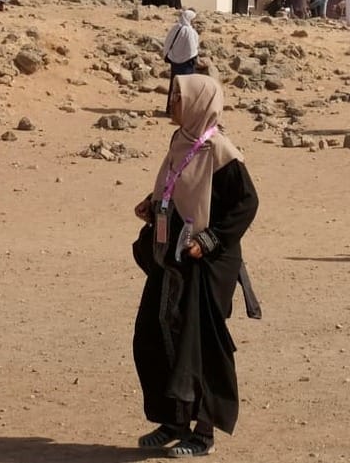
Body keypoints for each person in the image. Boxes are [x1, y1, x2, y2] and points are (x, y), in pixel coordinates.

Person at [131, 75, 259, 458]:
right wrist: (153, 205)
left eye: (178, 98)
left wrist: (211, 240)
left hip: (206, 264)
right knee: (155, 334)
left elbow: (245, 204)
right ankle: (173, 421)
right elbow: (179, 187)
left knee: (198, 346)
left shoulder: (221, 151)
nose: (171, 103)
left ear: (198, 104)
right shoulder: (182, 142)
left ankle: (203, 434)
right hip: (173, 257)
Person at [162, 8, 200, 78]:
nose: (194, 22)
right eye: (193, 20)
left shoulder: (176, 27)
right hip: (187, 63)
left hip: (174, 60)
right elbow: (191, 48)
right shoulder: (189, 31)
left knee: (175, 82)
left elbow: (168, 42)